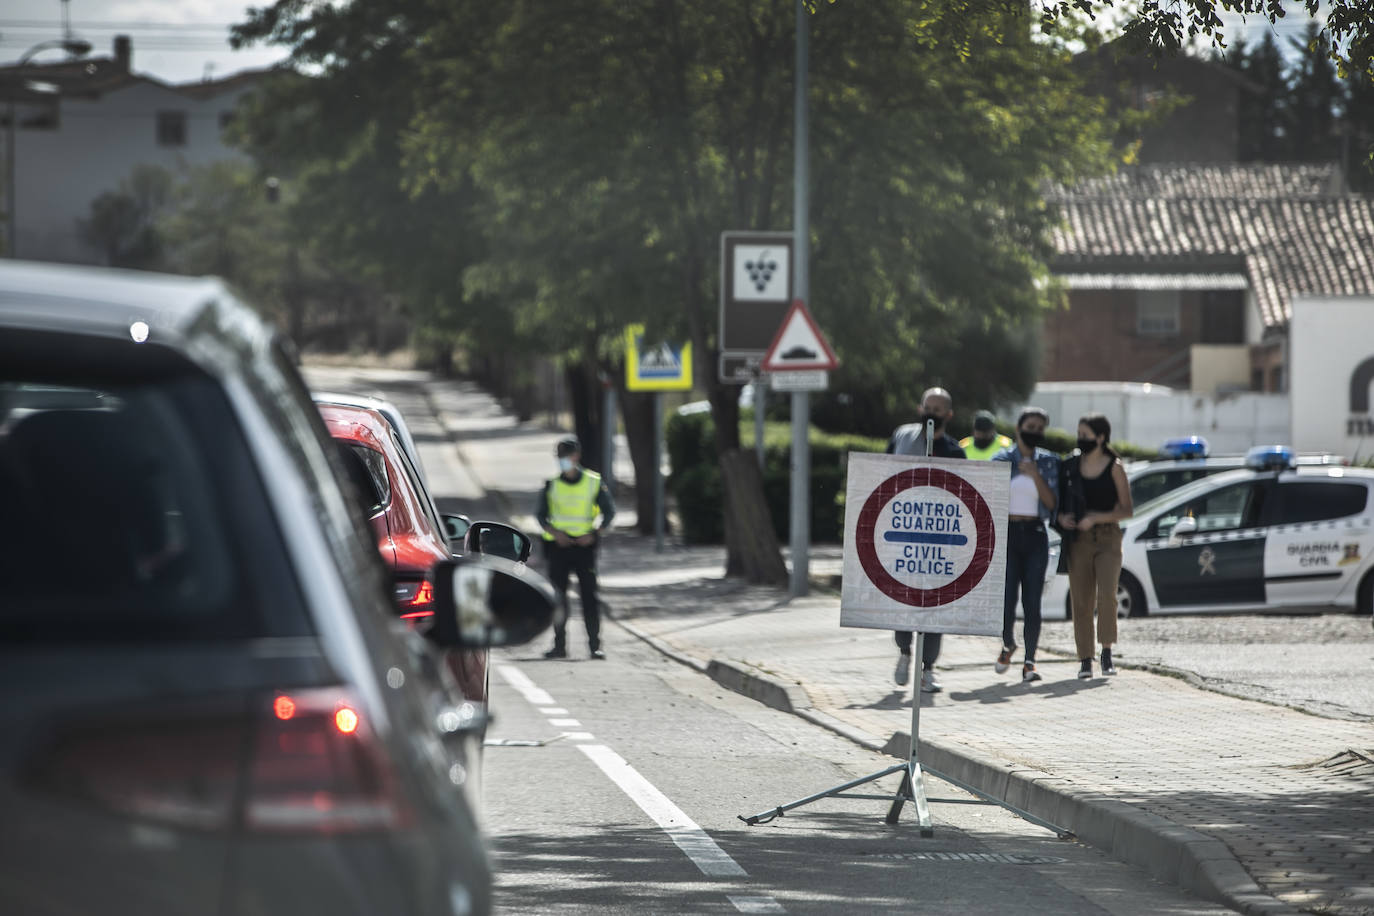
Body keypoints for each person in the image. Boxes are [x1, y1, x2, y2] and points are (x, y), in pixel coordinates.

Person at [886, 386, 965, 693]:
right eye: (927, 407)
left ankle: (928, 669)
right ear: (920, 409)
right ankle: (905, 652)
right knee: (902, 603)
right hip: (903, 536)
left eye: (938, 408)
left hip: (941, 545)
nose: (932, 414)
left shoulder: (955, 452)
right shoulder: (902, 438)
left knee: (935, 608)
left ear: (949, 414)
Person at [1057, 413, 1133, 679]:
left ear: (1101, 438)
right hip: (1079, 539)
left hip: (1108, 538)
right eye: (1079, 434)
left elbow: (1127, 510)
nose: (1081, 439)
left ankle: (1107, 653)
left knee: (1107, 595)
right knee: (1081, 600)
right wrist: (1061, 517)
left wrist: (1096, 518)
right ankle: (1085, 659)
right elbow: (1059, 503)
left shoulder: (1114, 466)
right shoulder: (1070, 467)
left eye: (1086, 435)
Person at [991, 408, 1059, 683]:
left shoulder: (1048, 461)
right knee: (1007, 600)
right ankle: (1008, 644)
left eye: (1040, 428)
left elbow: (1052, 503)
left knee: (1032, 602)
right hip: (1007, 533)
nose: (1035, 431)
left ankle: (1030, 662)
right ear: (1019, 428)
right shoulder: (1002, 459)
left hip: (1034, 534)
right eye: (1031, 426)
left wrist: (1034, 475)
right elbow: (990, 495)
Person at [537, 436, 616, 660]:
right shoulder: (551, 485)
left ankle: (595, 646)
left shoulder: (593, 481)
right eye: (560, 457)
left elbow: (609, 512)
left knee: (589, 598)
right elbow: (541, 515)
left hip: (584, 549)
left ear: (576, 456)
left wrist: (594, 534)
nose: (563, 461)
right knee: (558, 599)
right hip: (558, 548)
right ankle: (559, 645)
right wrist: (555, 533)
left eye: (566, 456)